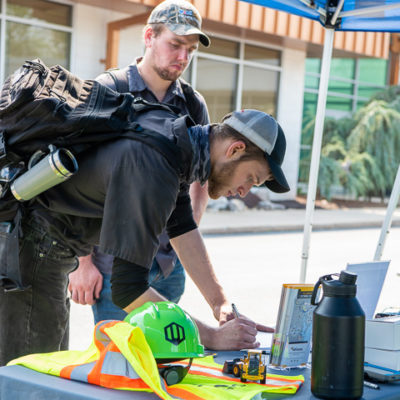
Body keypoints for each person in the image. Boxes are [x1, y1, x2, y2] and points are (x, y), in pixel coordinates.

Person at [0, 104, 290, 366]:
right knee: (30, 374)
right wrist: (212, 337)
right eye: (251, 178)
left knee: (46, 366)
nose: (244, 191)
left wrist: (220, 304)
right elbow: (128, 289)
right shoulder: (155, 166)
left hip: (43, 247)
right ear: (235, 149)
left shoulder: (176, 144)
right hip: (32, 247)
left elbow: (182, 228)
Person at [68, 0, 210, 324]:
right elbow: (73, 177)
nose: (183, 57)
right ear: (149, 36)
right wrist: (82, 262)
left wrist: (186, 238)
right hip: (113, 269)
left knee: (164, 366)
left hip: (168, 268)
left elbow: (200, 180)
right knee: (119, 370)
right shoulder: (109, 91)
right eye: (175, 45)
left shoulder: (192, 104)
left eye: (190, 49)